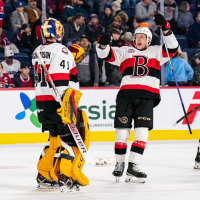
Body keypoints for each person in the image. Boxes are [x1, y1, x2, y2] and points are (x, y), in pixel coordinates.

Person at [96, 13, 178, 183]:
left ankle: (133, 165)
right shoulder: (125, 51)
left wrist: (166, 29)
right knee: (122, 132)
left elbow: (173, 47)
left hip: (147, 97)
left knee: (141, 132)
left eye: (143, 37)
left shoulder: (156, 51)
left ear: (149, 40)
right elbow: (104, 55)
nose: (139, 39)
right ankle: (119, 165)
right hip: (126, 95)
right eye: (137, 37)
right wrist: (102, 44)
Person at [32, 18, 89, 191]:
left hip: (42, 102)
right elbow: (60, 81)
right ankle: (66, 176)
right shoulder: (62, 50)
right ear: (58, 32)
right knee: (69, 140)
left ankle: (43, 174)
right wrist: (67, 106)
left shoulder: (37, 51)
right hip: (60, 103)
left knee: (54, 139)